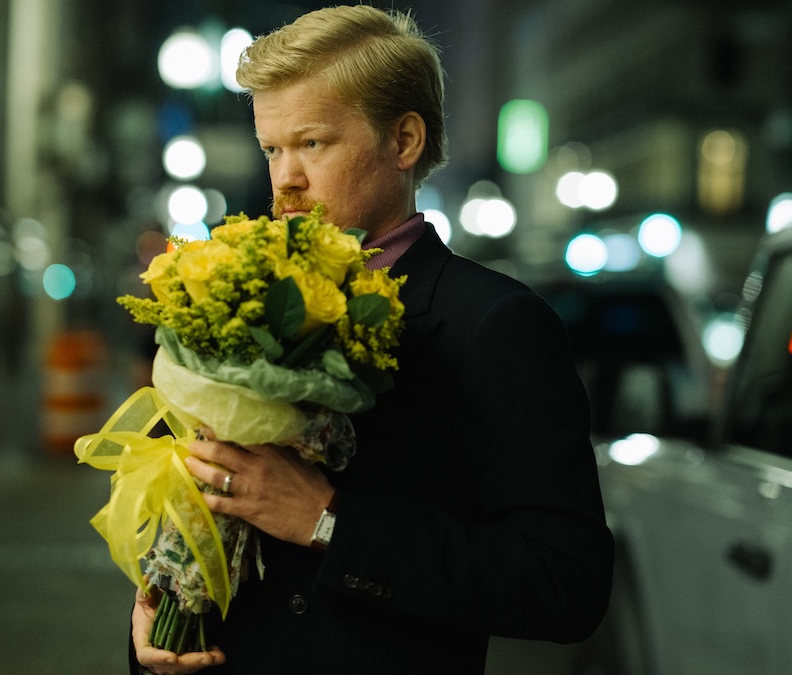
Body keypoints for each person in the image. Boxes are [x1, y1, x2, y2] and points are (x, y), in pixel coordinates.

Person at [131, 6, 615, 674]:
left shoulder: (493, 323)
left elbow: (565, 582)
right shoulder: (232, 288)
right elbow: (184, 500)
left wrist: (330, 520)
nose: (284, 178)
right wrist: (156, 604)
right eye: (272, 148)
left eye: (313, 144)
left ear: (405, 141)